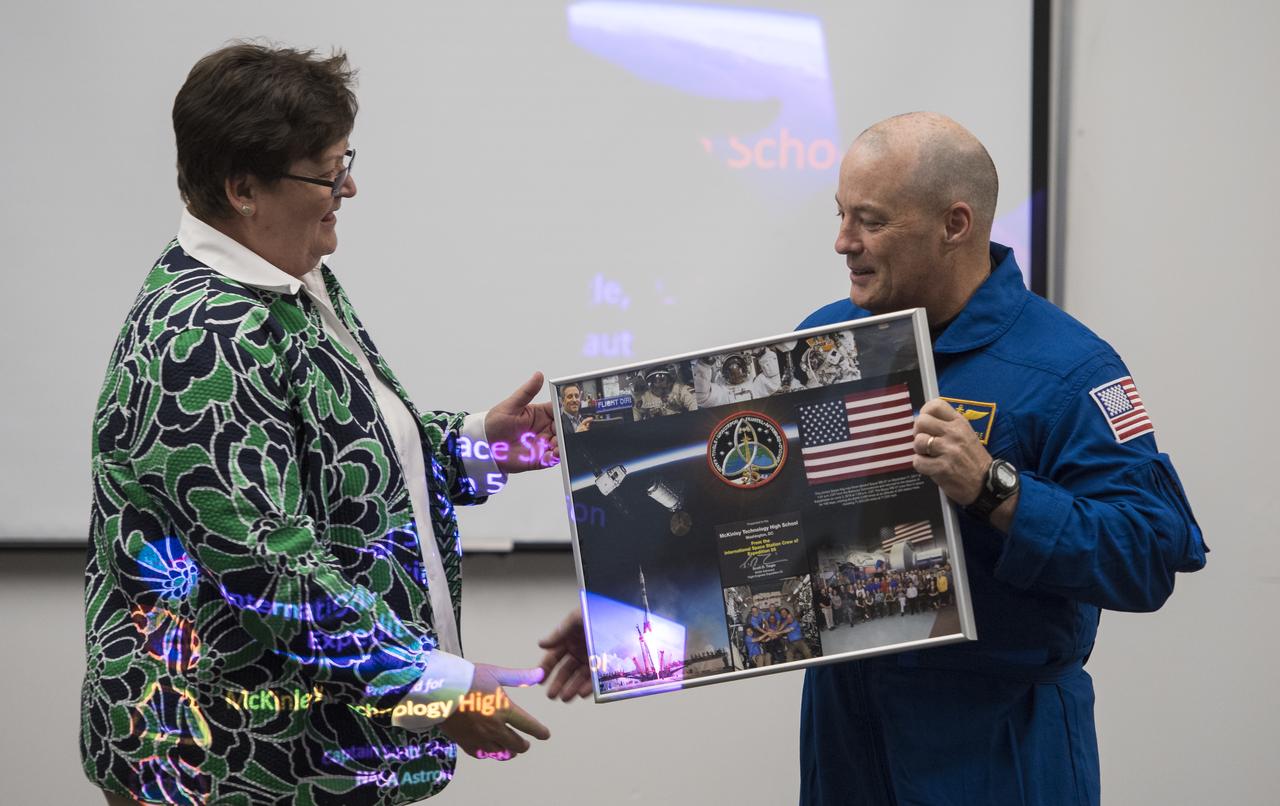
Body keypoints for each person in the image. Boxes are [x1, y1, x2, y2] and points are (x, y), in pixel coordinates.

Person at [82, 44, 574, 806]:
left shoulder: (287, 280)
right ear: (242, 188)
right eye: (325, 171)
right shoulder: (205, 337)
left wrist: (479, 447)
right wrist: (434, 686)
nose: (349, 186)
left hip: (300, 760)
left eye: (345, 160)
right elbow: (271, 571)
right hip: (225, 770)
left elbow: (339, 462)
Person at [796, 112, 1206, 805]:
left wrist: (997, 491)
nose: (843, 242)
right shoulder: (822, 346)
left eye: (869, 220)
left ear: (955, 224)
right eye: (840, 215)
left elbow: (1150, 555)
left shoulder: (1068, 369)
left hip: (995, 744)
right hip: (847, 734)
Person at [632, 364, 697, 420]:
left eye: (661, 378)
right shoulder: (644, 398)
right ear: (649, 384)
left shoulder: (680, 389)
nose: (658, 382)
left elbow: (694, 403)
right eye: (653, 380)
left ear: (669, 379)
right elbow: (635, 412)